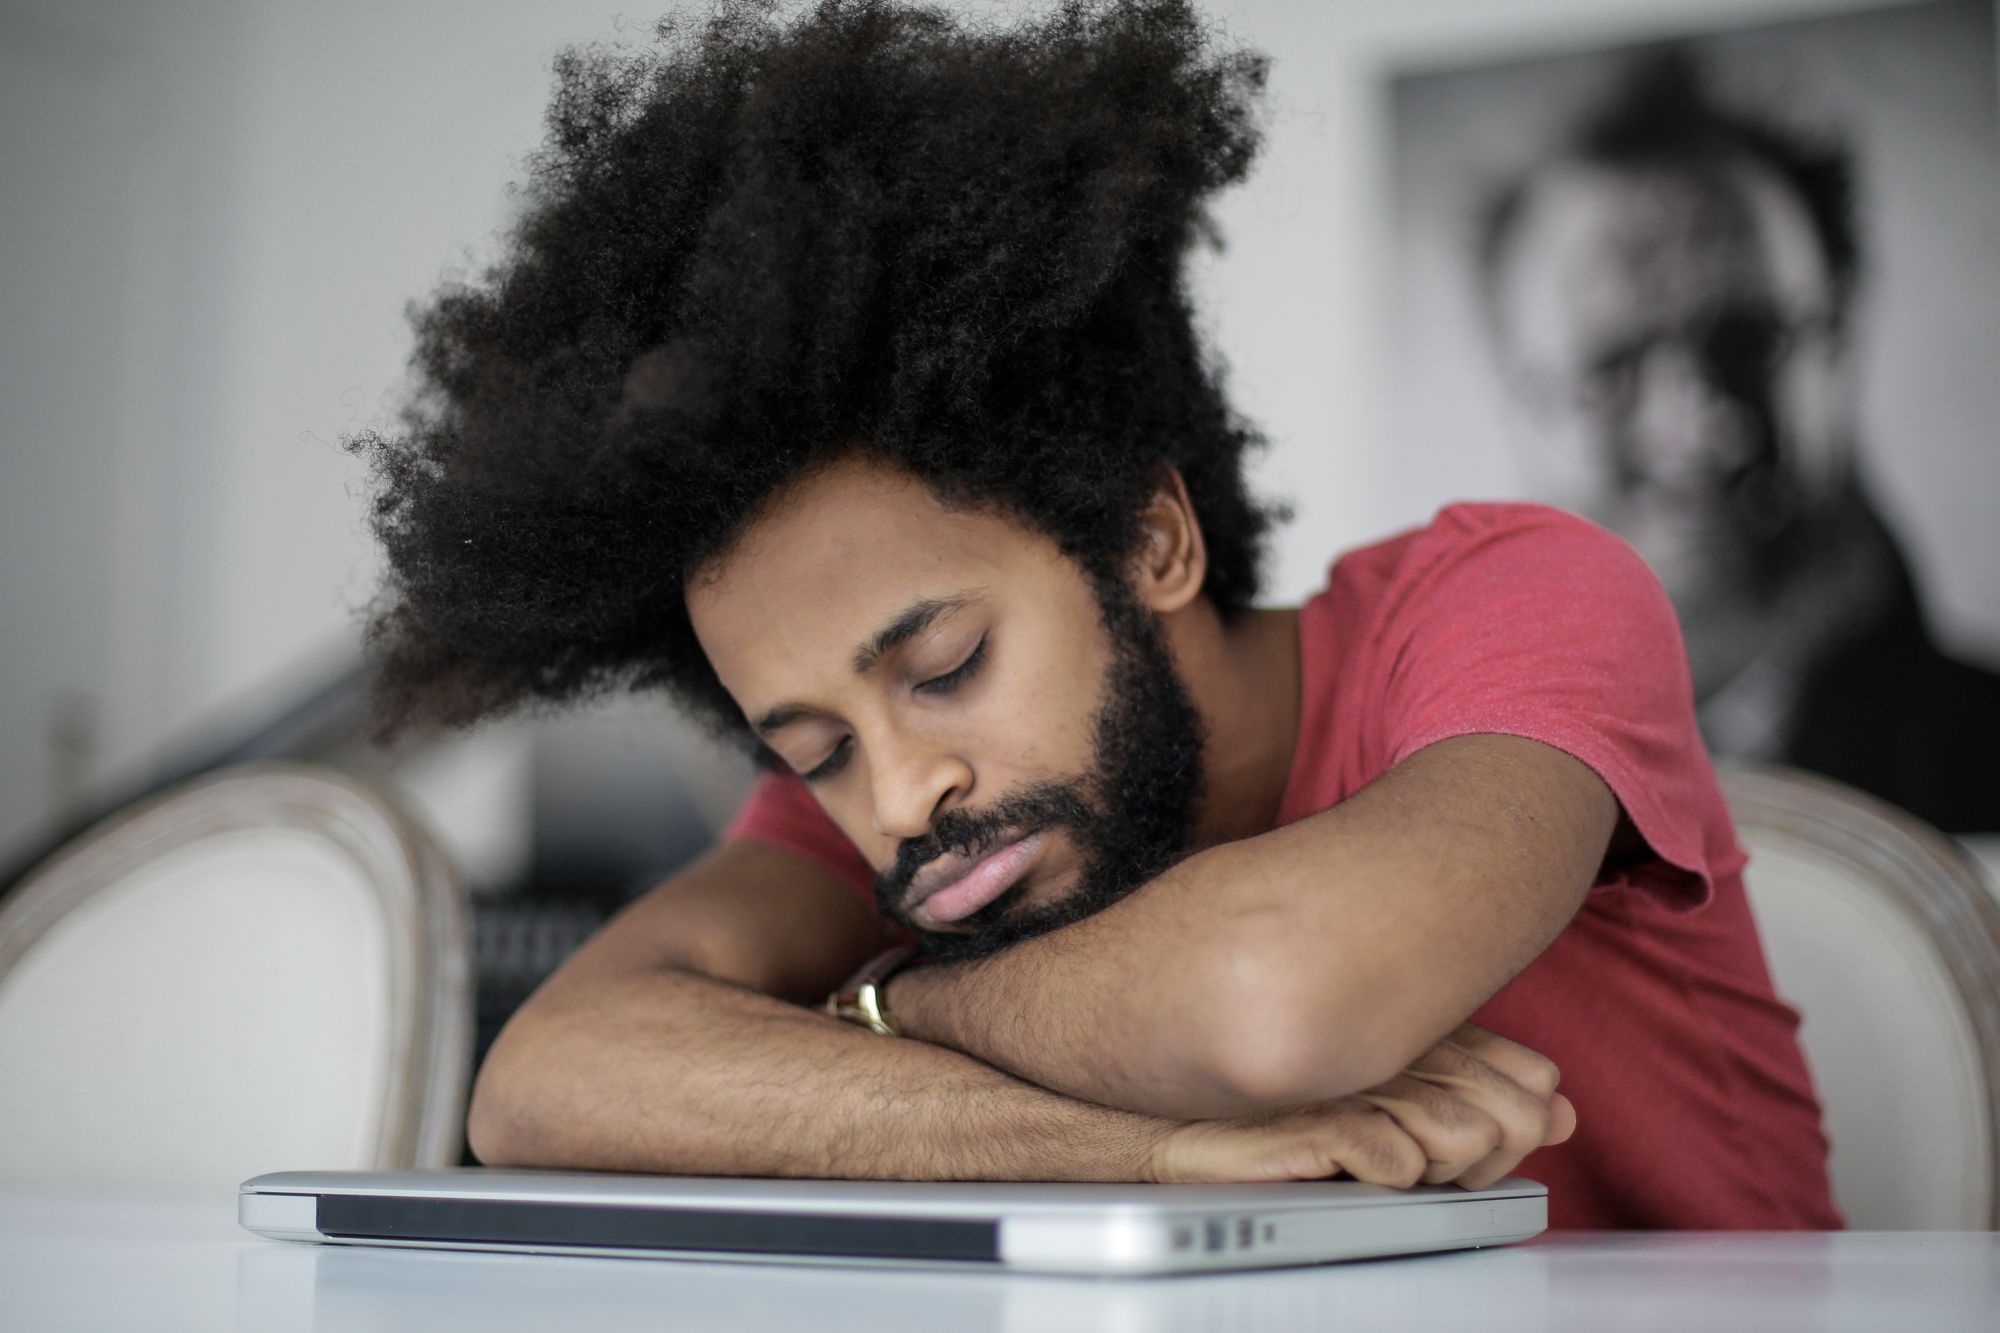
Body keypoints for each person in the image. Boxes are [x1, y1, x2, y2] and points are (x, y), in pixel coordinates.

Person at [352, 0, 1838, 1228]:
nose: (895, 795)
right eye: (807, 748)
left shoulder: (1511, 598)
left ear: (1150, 536)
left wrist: (887, 1009)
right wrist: (1142, 1147)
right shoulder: (937, 816)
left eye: (944, 664)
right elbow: (545, 1080)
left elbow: (1278, 1001)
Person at [1476, 46, 2000, 833]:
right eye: (1612, 365)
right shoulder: (1436, 802)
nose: (1699, 427)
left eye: (1752, 343)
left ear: (1844, 339)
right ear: (1519, 399)